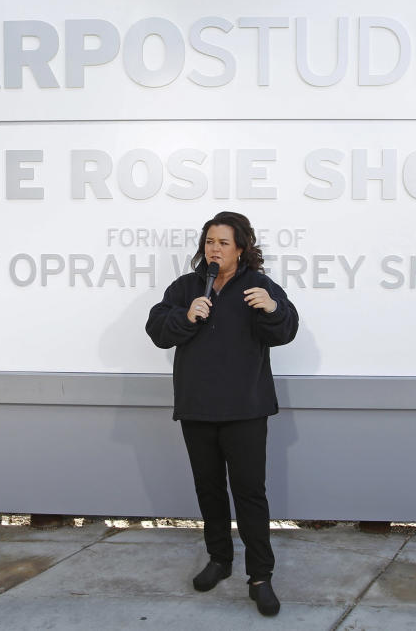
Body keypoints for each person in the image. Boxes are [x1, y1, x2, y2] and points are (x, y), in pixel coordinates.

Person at [145, 211, 298, 617]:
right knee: (209, 490)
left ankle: (260, 577)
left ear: (241, 249)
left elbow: (285, 331)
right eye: (210, 241)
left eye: (223, 243)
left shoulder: (259, 286)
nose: (214, 249)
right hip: (197, 408)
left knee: (249, 493)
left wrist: (272, 309)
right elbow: (157, 328)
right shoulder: (186, 287)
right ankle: (219, 560)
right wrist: (185, 315)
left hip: (245, 409)